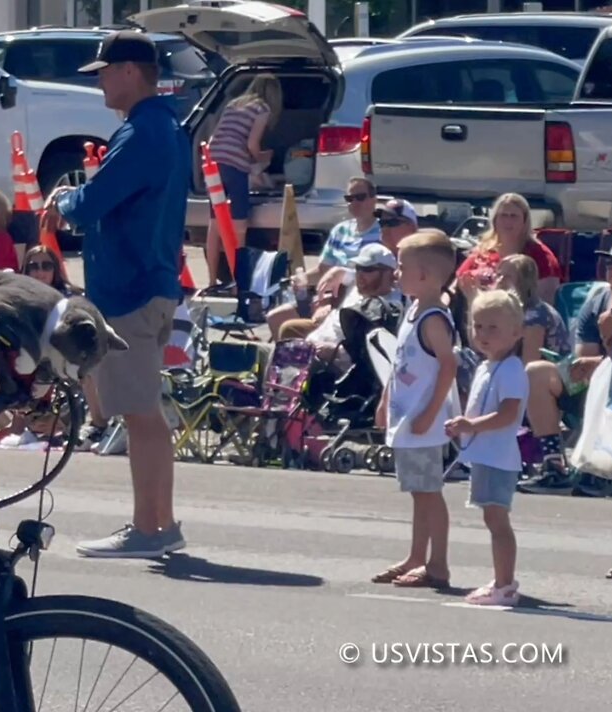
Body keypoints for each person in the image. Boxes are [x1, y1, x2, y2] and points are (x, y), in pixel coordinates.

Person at [41, 30, 190, 559]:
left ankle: (149, 529)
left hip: (130, 289)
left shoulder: (143, 132)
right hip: (148, 283)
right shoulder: (163, 127)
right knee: (144, 413)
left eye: (104, 71)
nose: (100, 81)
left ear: (130, 71)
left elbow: (91, 203)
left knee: (140, 415)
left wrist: (66, 195)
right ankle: (159, 523)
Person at [373, 230, 460, 589]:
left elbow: (448, 365)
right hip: (406, 419)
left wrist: (430, 413)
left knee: (429, 492)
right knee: (417, 493)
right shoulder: (414, 311)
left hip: (424, 420)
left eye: (401, 266)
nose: (396, 272)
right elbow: (398, 362)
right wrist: (384, 400)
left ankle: (437, 563)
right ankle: (415, 555)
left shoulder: (434, 319)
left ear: (424, 274)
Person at [445, 289, 528, 606]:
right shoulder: (486, 367)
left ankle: (505, 585)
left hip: (498, 457)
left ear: (515, 333)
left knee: (497, 521)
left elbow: (508, 414)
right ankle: (501, 579)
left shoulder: (511, 369)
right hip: (486, 455)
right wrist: (462, 426)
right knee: (492, 520)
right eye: (478, 326)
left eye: (493, 328)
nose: (483, 335)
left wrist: (471, 426)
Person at [521, 238, 612, 494]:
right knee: (537, 373)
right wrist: (586, 364)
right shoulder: (598, 300)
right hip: (595, 384)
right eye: (608, 261)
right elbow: (585, 356)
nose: (611, 268)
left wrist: (599, 361)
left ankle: (604, 471)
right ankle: (554, 465)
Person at [268, 177, 381, 338]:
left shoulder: (382, 232)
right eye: (349, 199)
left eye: (360, 197)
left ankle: (313, 358)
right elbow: (323, 270)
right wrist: (301, 279)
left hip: (353, 300)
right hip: (324, 296)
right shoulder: (340, 230)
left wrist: (331, 304)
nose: (354, 203)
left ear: (373, 199)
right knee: (275, 317)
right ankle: (290, 360)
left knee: (304, 325)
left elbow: (377, 278)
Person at [202, 74, 280, 286]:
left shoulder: (234, 104)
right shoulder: (262, 109)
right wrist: (263, 158)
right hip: (234, 164)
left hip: (213, 161)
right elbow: (252, 144)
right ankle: (239, 280)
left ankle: (211, 281)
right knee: (239, 226)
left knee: (215, 221)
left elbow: (215, 135)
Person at [456, 193, 561, 306]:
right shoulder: (484, 250)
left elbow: (546, 302)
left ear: (525, 221)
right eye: (503, 215)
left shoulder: (541, 256)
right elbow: (459, 279)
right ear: (495, 220)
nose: (508, 221)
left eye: (513, 216)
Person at [496, 254, 570, 362]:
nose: (500, 281)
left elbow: (530, 363)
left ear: (523, 281)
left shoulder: (535, 315)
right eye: (498, 275)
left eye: (508, 277)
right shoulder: (510, 311)